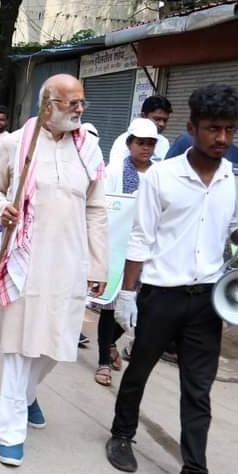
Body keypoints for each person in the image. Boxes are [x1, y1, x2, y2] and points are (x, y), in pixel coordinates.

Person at [105, 84, 238, 474]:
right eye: (213, 128)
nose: (222, 138)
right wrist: (127, 293)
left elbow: (235, 233)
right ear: (192, 128)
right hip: (161, 293)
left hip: (207, 300)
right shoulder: (162, 176)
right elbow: (141, 237)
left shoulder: (237, 179)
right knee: (139, 370)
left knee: (198, 389)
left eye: (229, 130)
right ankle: (122, 434)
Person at [0, 74, 108, 467]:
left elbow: (96, 208)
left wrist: (100, 264)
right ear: (48, 105)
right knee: (19, 345)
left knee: (59, 342)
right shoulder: (15, 143)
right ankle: (11, 430)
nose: (79, 109)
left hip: (70, 261)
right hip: (25, 259)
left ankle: (28, 395)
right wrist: (0, 206)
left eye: (82, 102)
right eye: (72, 103)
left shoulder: (89, 148)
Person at [93, 118, 159, 387]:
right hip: (117, 246)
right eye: (140, 143)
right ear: (130, 143)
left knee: (138, 304)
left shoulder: (159, 174)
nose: (145, 148)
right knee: (110, 306)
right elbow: (101, 208)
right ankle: (103, 361)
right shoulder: (114, 173)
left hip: (147, 250)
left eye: (150, 144)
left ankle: (111, 342)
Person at [106, 96, 172, 170]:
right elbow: (117, 171)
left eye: (165, 120)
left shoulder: (164, 142)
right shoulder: (123, 141)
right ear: (143, 116)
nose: (162, 124)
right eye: (157, 119)